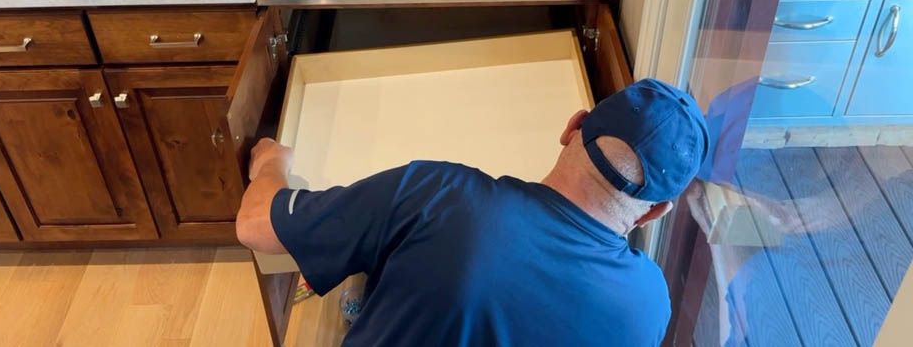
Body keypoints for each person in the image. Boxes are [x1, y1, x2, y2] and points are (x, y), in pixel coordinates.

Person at [236, 78, 710, 347]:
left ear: (572, 127)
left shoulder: (440, 195)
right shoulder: (649, 307)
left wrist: (272, 164)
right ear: (654, 213)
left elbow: (256, 225)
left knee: (395, 251)